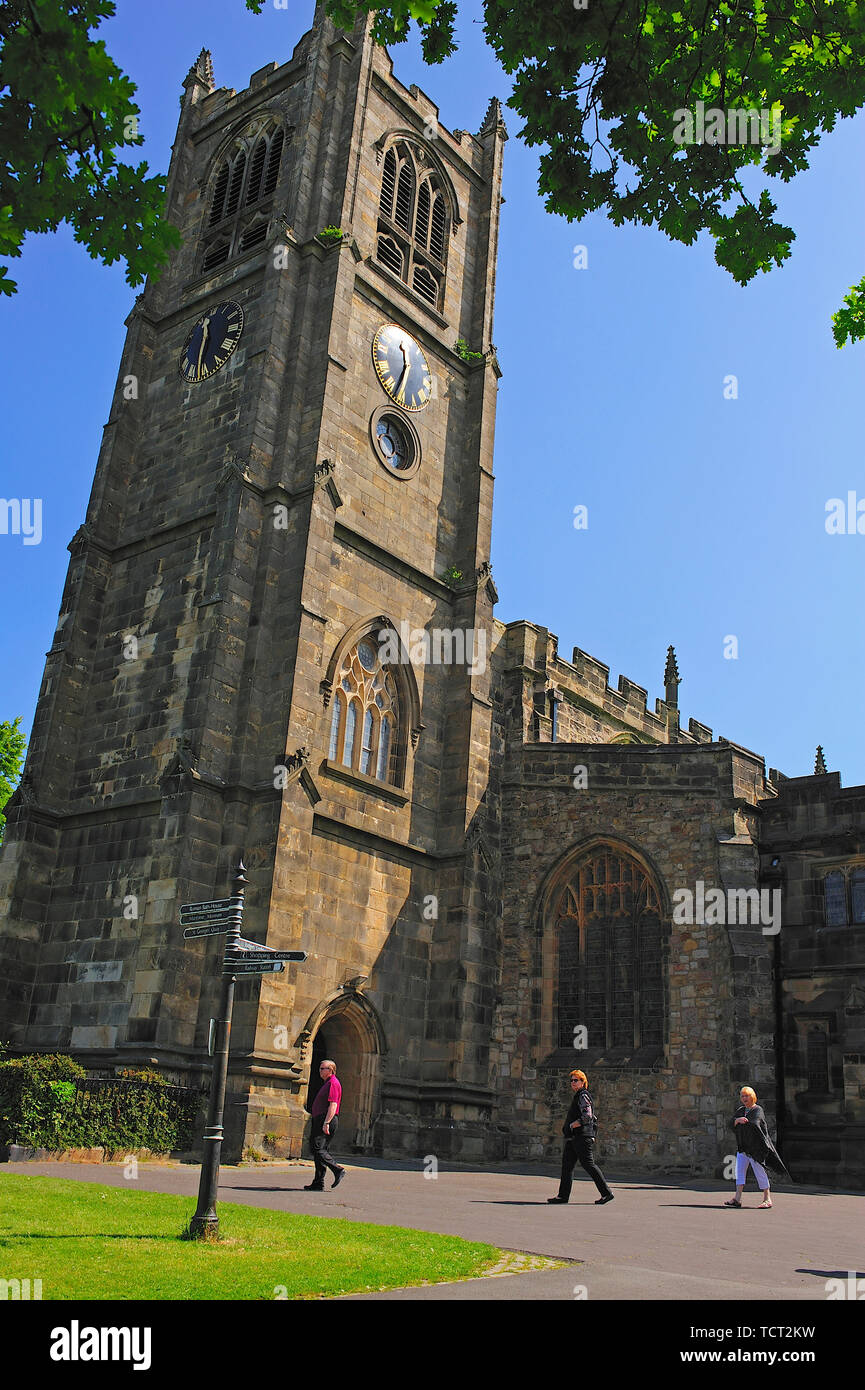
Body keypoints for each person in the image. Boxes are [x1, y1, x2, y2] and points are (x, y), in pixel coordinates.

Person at [548, 1069, 614, 1205]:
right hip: (574, 1138)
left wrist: (573, 1125)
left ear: (583, 1082)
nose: (573, 1082)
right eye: (571, 1080)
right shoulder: (578, 1096)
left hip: (581, 1137)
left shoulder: (583, 1095)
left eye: (576, 1080)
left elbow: (588, 1116)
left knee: (589, 1165)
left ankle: (606, 1193)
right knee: (567, 1166)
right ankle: (562, 1196)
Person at [724, 1085, 790, 1209]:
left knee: (760, 1172)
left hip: (756, 1148)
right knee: (739, 1173)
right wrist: (737, 1121)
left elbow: (755, 1123)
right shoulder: (741, 1110)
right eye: (743, 1096)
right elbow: (731, 1123)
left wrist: (742, 1122)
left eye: (747, 1096)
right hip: (743, 1147)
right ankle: (737, 1199)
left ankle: (767, 1198)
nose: (744, 1098)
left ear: (752, 1097)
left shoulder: (757, 1109)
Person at [305, 1059, 346, 1191]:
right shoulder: (327, 1083)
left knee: (318, 1149)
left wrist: (326, 1122)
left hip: (326, 1119)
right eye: (320, 1068)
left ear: (331, 1070)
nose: (320, 1071)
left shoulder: (333, 1083)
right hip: (321, 1119)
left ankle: (337, 1169)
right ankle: (318, 1182)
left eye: (323, 1068)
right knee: (319, 1151)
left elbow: (333, 1105)